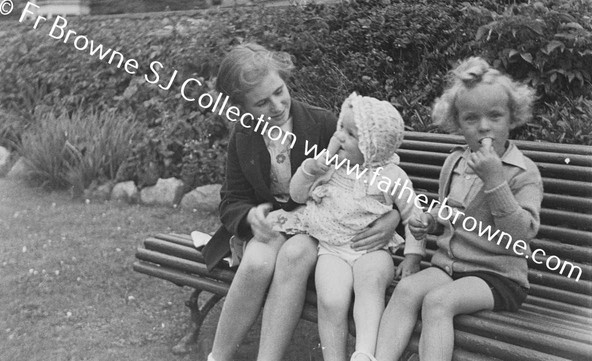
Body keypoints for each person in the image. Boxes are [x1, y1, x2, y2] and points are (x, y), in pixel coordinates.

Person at [201, 43, 402, 361]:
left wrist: (392, 217)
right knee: (257, 262)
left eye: (279, 91)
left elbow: (372, 174)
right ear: (241, 108)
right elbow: (232, 199)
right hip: (274, 224)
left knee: (294, 255)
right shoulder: (245, 135)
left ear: (284, 79)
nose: (277, 105)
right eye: (262, 103)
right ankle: (218, 356)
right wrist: (250, 216)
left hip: (319, 223)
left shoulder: (322, 124)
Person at [375, 57, 543, 361]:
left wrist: (495, 180)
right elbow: (448, 215)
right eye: (471, 119)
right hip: (451, 267)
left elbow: (520, 235)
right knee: (407, 290)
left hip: (498, 276)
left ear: (512, 117)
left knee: (438, 302)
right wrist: (429, 222)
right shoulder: (455, 162)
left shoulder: (523, 172)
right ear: (457, 122)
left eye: (495, 116)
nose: (483, 127)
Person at [268, 92, 425, 361]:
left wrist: (413, 257)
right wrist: (310, 169)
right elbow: (297, 195)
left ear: (373, 147)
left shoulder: (390, 176)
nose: (340, 136)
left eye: (351, 134)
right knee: (331, 300)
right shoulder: (328, 165)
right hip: (331, 250)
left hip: (373, 251)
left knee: (370, 280)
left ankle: (364, 353)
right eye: (341, 127)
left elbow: (414, 215)